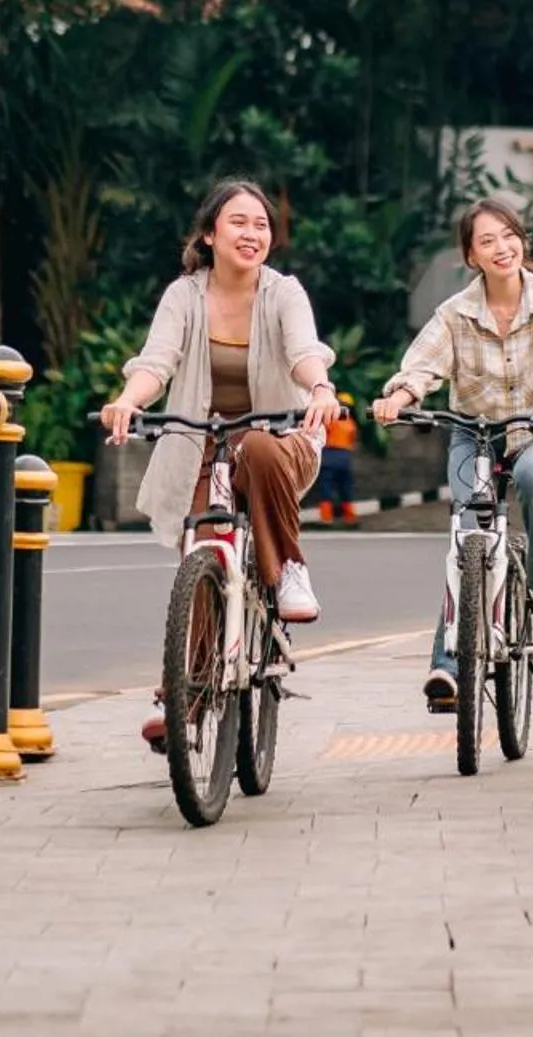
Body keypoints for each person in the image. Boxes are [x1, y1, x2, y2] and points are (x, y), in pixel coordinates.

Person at [99, 179, 341, 747]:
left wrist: (323, 388)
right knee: (206, 547)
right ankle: (188, 690)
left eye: (260, 224)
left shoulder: (285, 294)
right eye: (238, 222)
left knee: (255, 445)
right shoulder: (184, 296)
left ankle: (289, 572)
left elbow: (305, 352)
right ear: (209, 234)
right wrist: (129, 402)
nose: (252, 233)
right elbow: (156, 362)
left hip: (281, 441)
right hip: (202, 441)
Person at [373, 198, 533, 712]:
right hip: (475, 434)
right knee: (469, 539)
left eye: (508, 235)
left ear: (522, 241)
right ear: (470, 255)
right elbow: (423, 366)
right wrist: (399, 397)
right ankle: (445, 668)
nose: (501, 247)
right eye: (486, 240)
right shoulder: (454, 314)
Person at [316, 394, 359, 523]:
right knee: (345, 487)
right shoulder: (351, 423)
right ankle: (350, 517)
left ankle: (326, 518)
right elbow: (352, 442)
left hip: (329, 455)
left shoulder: (330, 420)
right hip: (345, 457)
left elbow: (321, 436)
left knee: (326, 487)